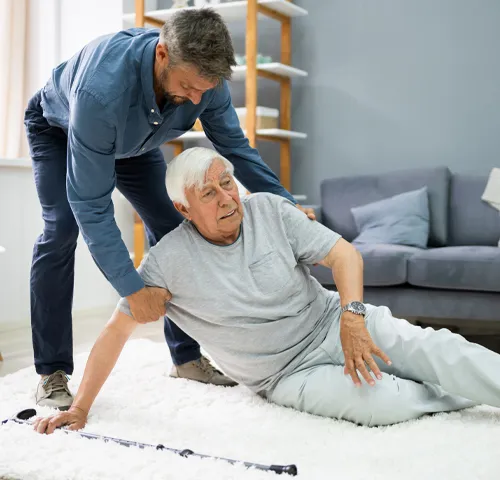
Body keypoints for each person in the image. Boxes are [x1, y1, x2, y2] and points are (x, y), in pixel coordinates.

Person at [35, 147, 500, 433]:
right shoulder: (165, 263)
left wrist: (353, 317)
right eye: (209, 193)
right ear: (182, 207)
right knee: (384, 402)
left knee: (440, 350)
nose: (226, 198)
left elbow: (345, 255)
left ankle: (453, 375)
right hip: (284, 375)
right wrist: (79, 408)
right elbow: (115, 334)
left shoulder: (270, 211)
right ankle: (454, 393)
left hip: (332, 322)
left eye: (227, 184)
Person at [24, 9, 315, 410]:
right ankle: (50, 370)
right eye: (188, 87)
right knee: (61, 230)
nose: (196, 100)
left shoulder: (204, 84)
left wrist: (287, 207)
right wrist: (132, 287)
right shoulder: (100, 92)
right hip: (61, 129)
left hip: (135, 139)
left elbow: (237, 150)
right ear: (162, 55)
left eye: (204, 90)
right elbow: (91, 204)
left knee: (175, 227)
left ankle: (186, 358)